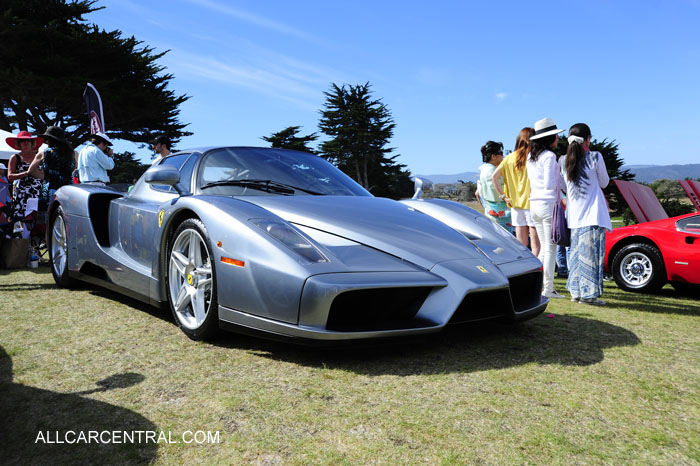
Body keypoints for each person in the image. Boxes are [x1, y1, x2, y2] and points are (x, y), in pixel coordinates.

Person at [560, 123, 612, 305]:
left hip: (574, 216)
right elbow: (604, 182)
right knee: (591, 256)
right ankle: (589, 295)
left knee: (576, 256)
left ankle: (576, 292)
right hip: (593, 214)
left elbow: (563, 186)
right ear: (588, 139)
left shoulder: (563, 160)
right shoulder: (595, 157)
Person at [526, 118, 565, 299]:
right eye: (555, 135)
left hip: (534, 203)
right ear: (549, 138)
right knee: (550, 248)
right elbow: (550, 184)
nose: (558, 138)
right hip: (547, 204)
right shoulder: (549, 157)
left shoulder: (531, 157)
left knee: (543, 248)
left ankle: (535, 285)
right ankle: (548, 288)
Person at [491, 127, 540, 257]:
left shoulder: (509, 158)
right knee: (536, 245)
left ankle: (525, 266)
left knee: (522, 245)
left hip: (515, 205)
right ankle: (538, 267)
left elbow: (494, 177)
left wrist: (503, 196)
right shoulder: (533, 157)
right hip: (531, 203)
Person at [28, 126, 76, 210]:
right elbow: (74, 168)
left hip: (50, 188)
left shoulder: (44, 152)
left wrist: (46, 177)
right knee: (66, 213)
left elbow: (31, 171)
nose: (46, 141)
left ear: (51, 139)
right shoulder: (72, 153)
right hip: (68, 188)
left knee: (49, 214)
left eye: (47, 138)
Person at [6, 131, 44, 223]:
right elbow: (10, 176)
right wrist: (26, 173)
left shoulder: (39, 157)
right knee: (22, 218)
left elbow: (45, 174)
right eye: (22, 141)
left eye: (28, 141)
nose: (26, 143)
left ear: (32, 143)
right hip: (22, 193)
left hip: (39, 192)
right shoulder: (15, 157)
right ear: (19, 144)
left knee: (39, 219)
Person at [477, 141, 512, 232]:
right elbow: (498, 191)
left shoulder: (484, 170)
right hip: (501, 214)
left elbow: (477, 193)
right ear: (493, 156)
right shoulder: (492, 171)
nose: (503, 156)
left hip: (490, 211)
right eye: (501, 153)